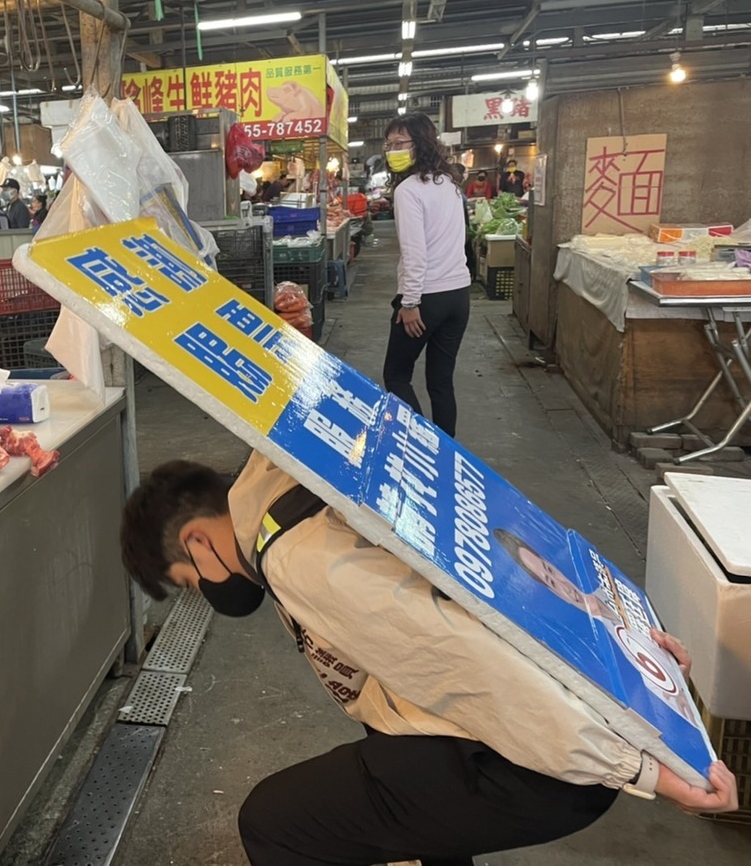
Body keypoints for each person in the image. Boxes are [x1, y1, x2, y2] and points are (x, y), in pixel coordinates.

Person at [120, 454, 740, 866]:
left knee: (275, 822)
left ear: (199, 542)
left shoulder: (297, 559)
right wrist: (626, 647)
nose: (209, 592)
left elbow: (474, 668)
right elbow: (513, 549)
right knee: (391, 754)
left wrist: (646, 770)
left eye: (191, 580)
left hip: (542, 763)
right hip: (535, 723)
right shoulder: (302, 475)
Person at [495, 528, 702, 730]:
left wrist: (678, 677)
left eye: (551, 571)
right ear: (550, 592)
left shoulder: (612, 589)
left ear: (554, 565)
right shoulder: (584, 651)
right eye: (550, 582)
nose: (564, 586)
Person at [381, 112, 472, 436]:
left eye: (400, 143)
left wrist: (409, 303)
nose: (392, 150)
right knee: (440, 381)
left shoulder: (408, 190)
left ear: (420, 144)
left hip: (427, 298)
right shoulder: (448, 183)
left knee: (396, 376)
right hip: (458, 296)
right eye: (389, 144)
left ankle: (422, 445)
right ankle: (447, 453)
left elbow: (415, 252)